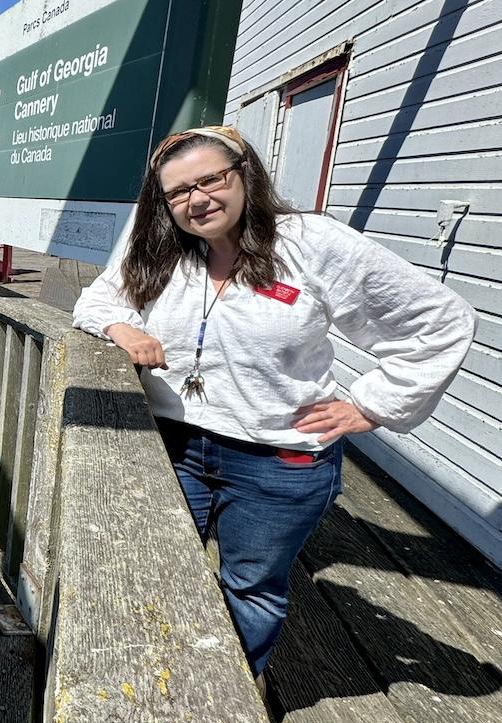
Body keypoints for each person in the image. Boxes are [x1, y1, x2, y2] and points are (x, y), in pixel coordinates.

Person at [72, 125, 476, 675]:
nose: (197, 199)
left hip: (277, 461)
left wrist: (372, 404)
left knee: (250, 587)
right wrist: (125, 329)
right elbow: (98, 299)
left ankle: (222, 707)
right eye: (178, 193)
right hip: (176, 444)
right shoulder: (165, 251)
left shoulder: (309, 243)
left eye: (210, 180)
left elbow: (440, 319)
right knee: (154, 563)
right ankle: (154, 680)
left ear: (245, 176)